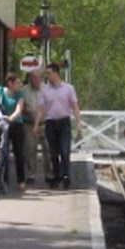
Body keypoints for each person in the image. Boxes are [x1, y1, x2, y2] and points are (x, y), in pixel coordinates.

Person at [38, 62, 82, 190]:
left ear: (56, 73)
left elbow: (74, 106)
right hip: (51, 123)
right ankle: (56, 176)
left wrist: (78, 122)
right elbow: (41, 108)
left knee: (64, 150)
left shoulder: (68, 88)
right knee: (53, 152)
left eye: (49, 74)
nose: (47, 76)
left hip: (64, 122)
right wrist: (36, 124)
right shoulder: (45, 90)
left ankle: (66, 176)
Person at [0, 73, 26, 190]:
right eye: (17, 83)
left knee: (18, 152)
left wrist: (11, 118)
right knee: (2, 151)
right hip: (2, 124)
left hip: (16, 124)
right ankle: (2, 178)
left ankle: (21, 180)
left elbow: (19, 109)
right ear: (10, 83)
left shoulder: (20, 94)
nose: (20, 85)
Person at [22, 68, 52, 185]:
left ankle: (50, 174)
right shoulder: (24, 90)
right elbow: (19, 104)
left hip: (45, 123)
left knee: (48, 149)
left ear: (41, 78)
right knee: (29, 149)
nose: (35, 80)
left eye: (37, 78)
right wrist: (25, 108)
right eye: (33, 78)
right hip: (29, 123)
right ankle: (31, 174)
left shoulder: (48, 89)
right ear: (29, 79)